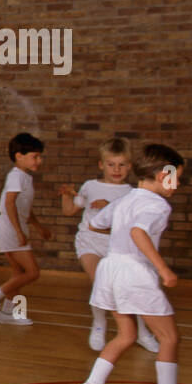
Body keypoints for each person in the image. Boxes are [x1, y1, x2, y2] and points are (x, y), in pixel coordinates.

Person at [76, 144, 192, 384]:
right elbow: (137, 232)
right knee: (169, 337)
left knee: (127, 334)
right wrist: (163, 268)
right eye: (175, 177)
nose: (177, 184)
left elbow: (95, 224)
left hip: (110, 268)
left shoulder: (126, 198)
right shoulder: (157, 204)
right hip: (133, 272)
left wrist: (120, 230)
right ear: (161, 174)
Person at [58, 138, 155, 352]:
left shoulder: (131, 192)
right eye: (111, 164)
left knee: (129, 288)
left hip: (117, 247)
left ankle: (142, 332)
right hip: (89, 242)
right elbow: (69, 211)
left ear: (129, 166)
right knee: (101, 281)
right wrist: (66, 196)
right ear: (102, 165)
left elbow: (131, 225)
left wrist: (110, 206)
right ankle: (99, 324)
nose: (116, 169)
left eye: (122, 165)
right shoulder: (90, 186)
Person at [0, 132, 51, 326]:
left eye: (39, 156)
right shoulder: (16, 176)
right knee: (32, 272)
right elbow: (9, 203)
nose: (39, 161)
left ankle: (11, 313)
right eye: (35, 156)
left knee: (18, 274)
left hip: (15, 228)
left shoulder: (25, 177)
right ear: (19, 156)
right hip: (9, 229)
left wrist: (37, 226)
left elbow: (23, 207)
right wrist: (18, 232)